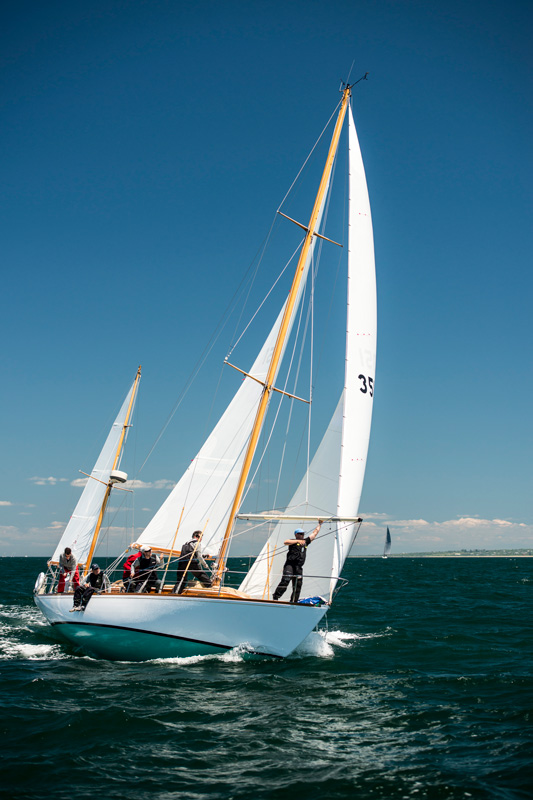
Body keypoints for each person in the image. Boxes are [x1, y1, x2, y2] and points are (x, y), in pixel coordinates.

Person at [272, 521, 323, 603]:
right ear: (296, 535)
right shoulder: (292, 541)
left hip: (298, 567)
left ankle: (293, 601)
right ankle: (275, 597)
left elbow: (314, 534)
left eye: (303, 534)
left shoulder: (305, 541)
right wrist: (297, 541)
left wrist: (319, 524)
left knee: (298, 585)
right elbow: (285, 542)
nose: (302, 535)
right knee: (286, 579)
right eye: (300, 534)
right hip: (290, 565)